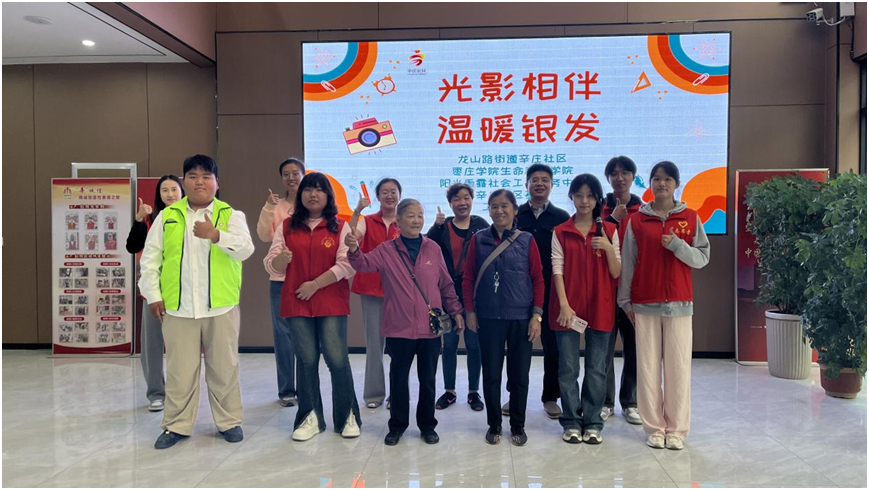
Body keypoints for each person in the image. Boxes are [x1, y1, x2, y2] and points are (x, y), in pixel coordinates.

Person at [139, 155, 254, 450]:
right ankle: (176, 425)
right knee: (180, 370)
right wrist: (153, 295)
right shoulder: (167, 217)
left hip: (221, 307)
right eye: (192, 176)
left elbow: (245, 249)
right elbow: (150, 260)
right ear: (184, 182)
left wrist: (216, 235)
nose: (199, 182)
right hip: (178, 308)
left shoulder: (231, 215)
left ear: (217, 182)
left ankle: (229, 422)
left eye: (206, 176)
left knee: (224, 368)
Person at [347, 198, 464, 446]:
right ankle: (397, 426)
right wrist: (354, 248)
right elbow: (362, 264)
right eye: (410, 215)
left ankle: (427, 426)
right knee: (398, 379)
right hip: (398, 328)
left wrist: (456, 310)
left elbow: (445, 284)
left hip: (429, 329)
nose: (416, 220)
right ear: (398, 222)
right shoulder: (386, 250)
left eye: (420, 215)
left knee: (428, 379)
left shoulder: (433, 248)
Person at [618, 161, 710, 451]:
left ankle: (677, 430)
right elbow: (628, 263)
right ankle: (655, 428)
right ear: (650, 184)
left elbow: (702, 258)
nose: (662, 183)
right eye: (657, 178)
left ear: (677, 184)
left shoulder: (690, 217)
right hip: (644, 304)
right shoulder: (637, 221)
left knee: (678, 369)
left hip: (680, 304)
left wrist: (678, 246)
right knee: (647, 369)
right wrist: (626, 302)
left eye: (668, 179)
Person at [265, 172, 361, 442]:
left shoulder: (339, 226)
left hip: (330, 302)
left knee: (337, 359)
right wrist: (281, 260)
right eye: (308, 189)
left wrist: (316, 285)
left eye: (319, 190)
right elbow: (271, 264)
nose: (313, 194)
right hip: (296, 302)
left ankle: (347, 416)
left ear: (328, 196)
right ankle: (310, 417)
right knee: (306, 361)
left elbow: (347, 264)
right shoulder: (287, 226)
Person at [463, 190, 544, 446]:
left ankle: (517, 425)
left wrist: (537, 316)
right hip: (488, 317)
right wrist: (470, 311)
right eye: (494, 206)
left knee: (519, 375)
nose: (499, 211)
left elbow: (538, 279)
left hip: (521, 317)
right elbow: (468, 278)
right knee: (491, 374)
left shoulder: (527, 240)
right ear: (488, 210)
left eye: (505, 206)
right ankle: (494, 424)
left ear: (515, 210)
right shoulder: (478, 239)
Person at [551, 174, 621, 445]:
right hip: (568, 308)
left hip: (601, 306)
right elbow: (557, 269)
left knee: (596, 368)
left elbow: (616, 272)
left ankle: (592, 422)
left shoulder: (609, 231)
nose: (584, 200)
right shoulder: (560, 231)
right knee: (568, 367)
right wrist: (564, 304)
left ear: (597, 199)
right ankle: (570, 420)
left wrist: (608, 248)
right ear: (571, 196)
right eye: (579, 195)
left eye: (590, 195)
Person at [426, 183, 488, 412]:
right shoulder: (443, 226)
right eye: (457, 199)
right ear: (450, 203)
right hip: (447, 294)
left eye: (466, 198)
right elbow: (428, 247)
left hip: (475, 295)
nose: (462, 203)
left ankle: (473, 392)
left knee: (474, 345)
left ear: (472, 199)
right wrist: (435, 226)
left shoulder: (481, 225)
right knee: (449, 344)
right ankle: (449, 391)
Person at [516, 164, 571, 419]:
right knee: (518, 346)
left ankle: (550, 397)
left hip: (550, 290)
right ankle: (516, 396)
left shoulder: (561, 217)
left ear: (551, 185)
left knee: (552, 347)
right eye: (535, 180)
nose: (540, 184)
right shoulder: (516, 214)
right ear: (526, 184)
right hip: (518, 290)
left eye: (545, 180)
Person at [125, 174, 184, 412]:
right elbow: (133, 246)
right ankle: (156, 393)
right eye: (164, 190)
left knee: (182, 346)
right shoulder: (151, 220)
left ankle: (180, 392)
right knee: (152, 346)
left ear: (182, 192)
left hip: (181, 293)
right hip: (153, 293)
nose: (170, 194)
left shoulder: (190, 218)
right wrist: (139, 220)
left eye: (174, 189)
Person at [348, 178, 402, 409]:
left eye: (393, 192)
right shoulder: (368, 221)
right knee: (374, 345)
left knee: (399, 347)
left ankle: (397, 395)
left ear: (400, 195)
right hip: (372, 290)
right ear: (377, 197)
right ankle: (374, 395)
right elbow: (350, 236)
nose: (389, 196)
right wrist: (357, 211)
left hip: (400, 292)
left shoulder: (405, 221)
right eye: (384, 192)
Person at [600, 156, 644, 425]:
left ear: (633, 176)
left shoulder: (644, 211)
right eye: (614, 173)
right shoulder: (598, 208)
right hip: (605, 291)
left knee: (635, 349)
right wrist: (611, 219)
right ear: (608, 178)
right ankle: (605, 402)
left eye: (625, 172)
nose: (619, 178)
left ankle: (630, 402)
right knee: (603, 350)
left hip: (633, 292)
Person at [258, 158, 305, 408]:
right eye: (286, 174)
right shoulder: (276, 207)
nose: (291, 178)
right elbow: (263, 235)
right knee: (283, 337)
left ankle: (307, 387)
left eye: (296, 173)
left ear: (304, 175)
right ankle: (287, 390)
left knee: (307, 336)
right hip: (281, 280)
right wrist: (268, 207)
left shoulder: (314, 205)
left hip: (309, 281)